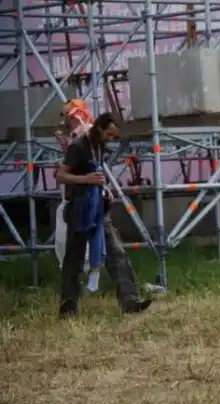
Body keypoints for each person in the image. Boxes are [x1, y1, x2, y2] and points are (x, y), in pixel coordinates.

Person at [55, 112, 152, 318]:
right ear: (99, 128)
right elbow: (60, 175)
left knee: (117, 254)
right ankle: (68, 306)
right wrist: (86, 179)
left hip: (98, 209)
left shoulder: (99, 146)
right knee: (74, 260)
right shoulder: (78, 147)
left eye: (113, 136)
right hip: (79, 210)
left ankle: (130, 301)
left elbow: (97, 173)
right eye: (109, 134)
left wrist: (104, 188)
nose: (111, 139)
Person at [54, 99, 102, 291]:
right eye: (67, 117)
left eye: (72, 115)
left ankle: (88, 282)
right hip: (71, 197)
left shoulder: (87, 134)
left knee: (87, 240)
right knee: (63, 241)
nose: (69, 120)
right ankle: (76, 282)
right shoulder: (75, 139)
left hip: (85, 198)